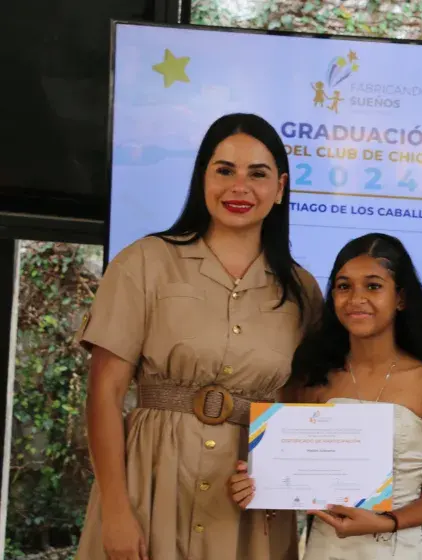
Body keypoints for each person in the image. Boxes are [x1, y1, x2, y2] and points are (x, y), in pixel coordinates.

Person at [75, 113, 323, 560]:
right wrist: (116, 508)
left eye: (258, 174)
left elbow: (300, 406)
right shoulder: (144, 262)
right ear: (202, 177)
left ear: (281, 188)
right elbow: (104, 394)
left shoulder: (303, 292)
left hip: (249, 506)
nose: (239, 187)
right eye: (224, 170)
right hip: (149, 486)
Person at [229, 233, 422, 560]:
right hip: (321, 550)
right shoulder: (312, 380)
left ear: (400, 298)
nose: (356, 298)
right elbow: (286, 481)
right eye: (344, 286)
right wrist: (256, 484)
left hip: (397, 549)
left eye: (373, 286)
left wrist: (388, 522)